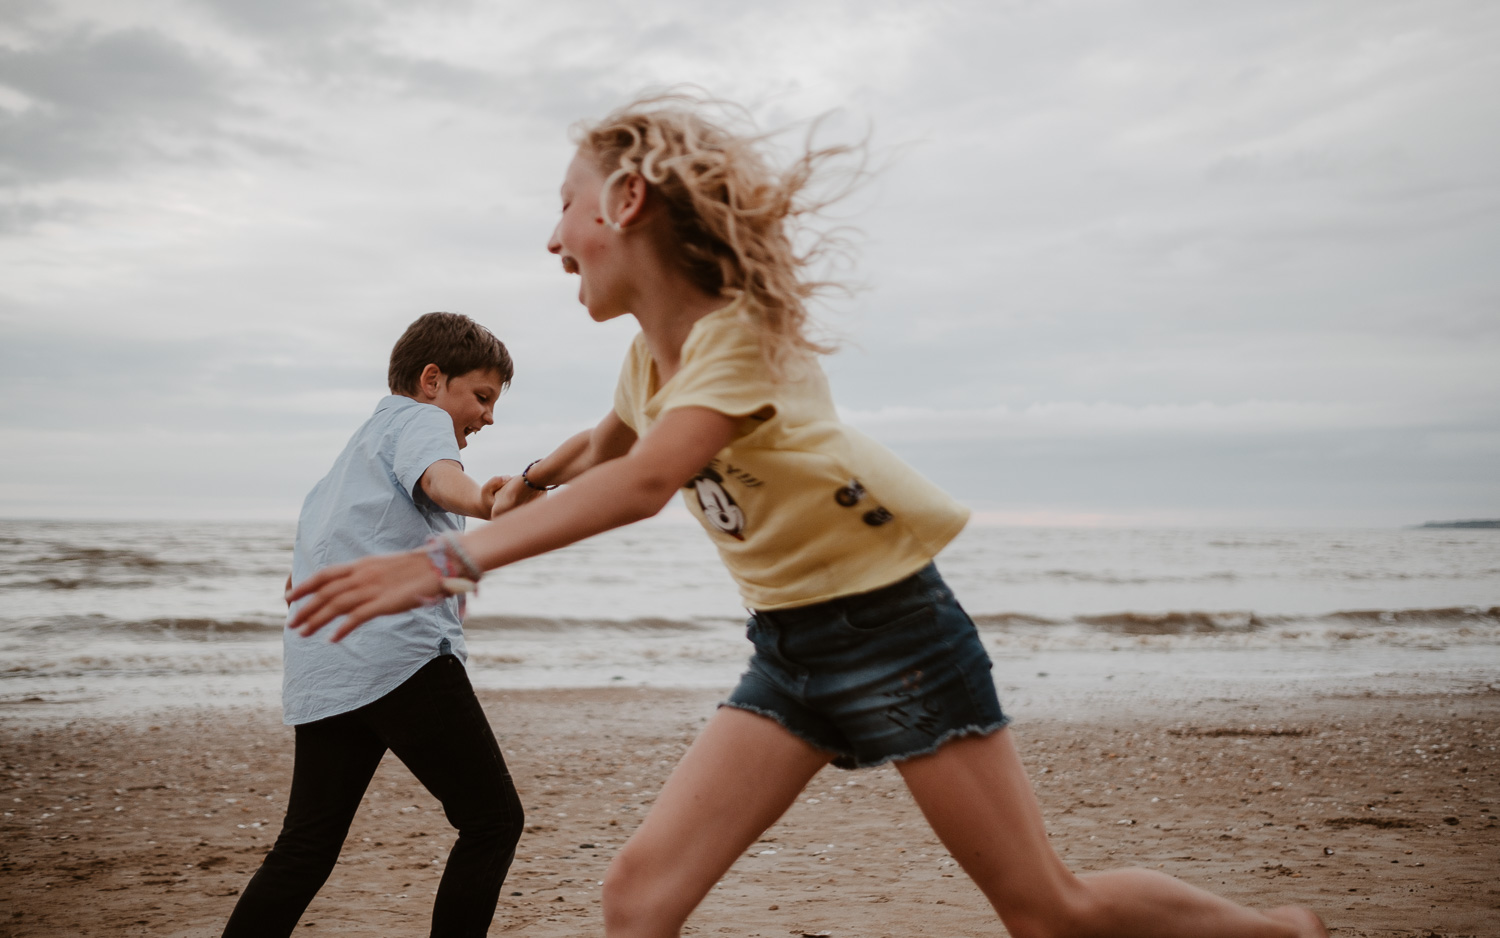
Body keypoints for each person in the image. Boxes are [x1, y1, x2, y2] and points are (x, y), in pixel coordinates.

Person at [287, 95, 1328, 938]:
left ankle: (1276, 932)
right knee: (638, 897)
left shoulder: (739, 337)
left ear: (628, 200)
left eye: (564, 204)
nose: (551, 233)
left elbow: (647, 477)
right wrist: (530, 476)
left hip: (893, 631)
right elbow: (606, 443)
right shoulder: (650, 355)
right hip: (788, 648)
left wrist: (449, 562)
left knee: (1047, 909)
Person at [224, 312, 533, 938]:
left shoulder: (346, 466)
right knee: (493, 821)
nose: (488, 417)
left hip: (326, 675)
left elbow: (318, 573)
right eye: (481, 397)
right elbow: (442, 481)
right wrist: (486, 500)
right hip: (402, 662)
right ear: (430, 380)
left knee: (305, 847)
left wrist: (455, 581)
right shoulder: (419, 421)